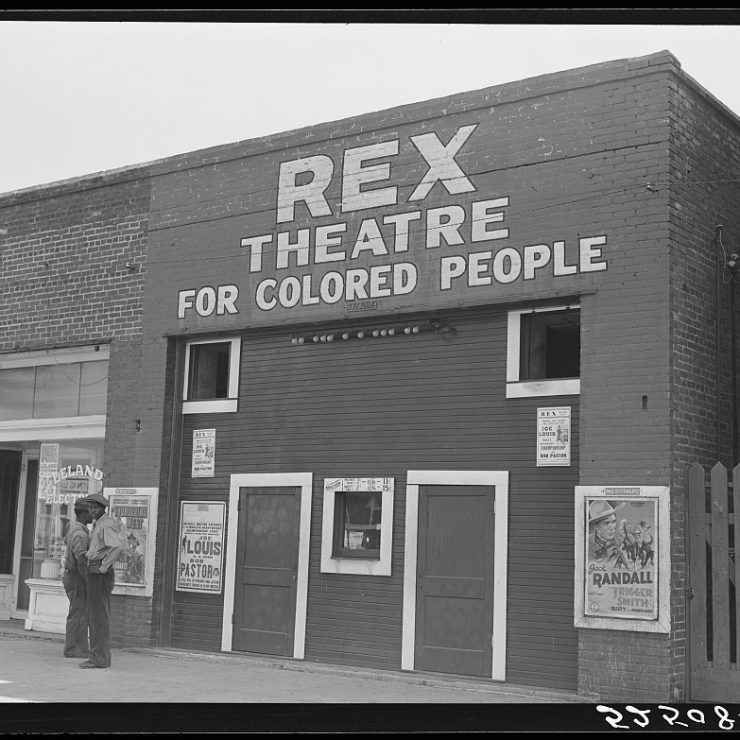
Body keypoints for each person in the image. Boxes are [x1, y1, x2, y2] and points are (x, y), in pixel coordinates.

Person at [80, 492, 123, 669]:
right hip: (95, 569)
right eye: (90, 507)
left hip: (99, 573)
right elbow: (102, 547)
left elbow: (116, 546)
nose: (92, 510)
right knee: (97, 616)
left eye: (95, 507)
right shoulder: (99, 524)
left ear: (103, 508)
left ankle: (99, 659)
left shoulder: (105, 524)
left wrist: (103, 567)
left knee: (98, 617)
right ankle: (99, 657)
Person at [62, 496, 93, 658]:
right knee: (77, 613)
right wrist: (88, 581)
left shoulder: (75, 529)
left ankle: (81, 647)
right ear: (83, 514)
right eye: (90, 512)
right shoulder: (80, 534)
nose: (92, 514)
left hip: (73, 576)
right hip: (77, 578)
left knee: (81, 612)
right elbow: (81, 561)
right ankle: (72, 648)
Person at [587, 499, 628, 567]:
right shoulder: (587, 543)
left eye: (613, 521)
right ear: (595, 526)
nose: (612, 527)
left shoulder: (619, 539)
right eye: (606, 523)